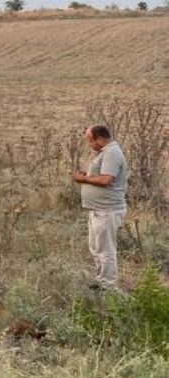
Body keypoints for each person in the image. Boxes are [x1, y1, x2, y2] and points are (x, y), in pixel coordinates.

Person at [72, 125, 127, 292]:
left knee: (105, 250)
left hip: (107, 211)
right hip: (98, 210)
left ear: (101, 139)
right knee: (96, 248)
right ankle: (101, 281)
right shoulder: (104, 153)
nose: (89, 144)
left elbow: (106, 180)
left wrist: (84, 180)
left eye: (91, 140)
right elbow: (101, 176)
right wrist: (87, 175)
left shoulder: (112, 153)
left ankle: (108, 286)